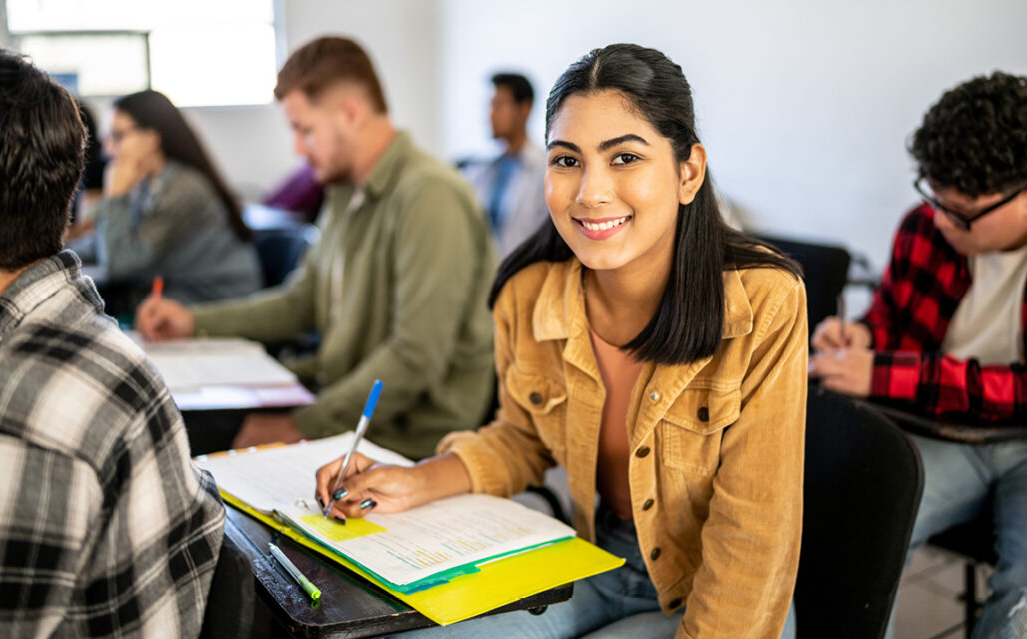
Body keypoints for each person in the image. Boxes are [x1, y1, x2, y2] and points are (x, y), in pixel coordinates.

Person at [315, 43, 808, 638]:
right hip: (595, 556)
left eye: (624, 157)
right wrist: (417, 479)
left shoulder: (765, 302)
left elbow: (755, 530)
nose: (589, 192)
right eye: (567, 160)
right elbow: (523, 437)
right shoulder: (527, 293)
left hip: (718, 582)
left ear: (688, 172)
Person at [0, 37, 225, 637]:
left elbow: (126, 261)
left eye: (123, 136)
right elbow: (98, 250)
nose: (113, 148)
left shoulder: (178, 187)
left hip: (201, 318)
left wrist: (117, 194)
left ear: (153, 137)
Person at [136, 36, 497, 460]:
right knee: (177, 419)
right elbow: (300, 303)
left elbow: (415, 358)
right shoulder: (346, 191)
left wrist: (299, 426)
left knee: (194, 445)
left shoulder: (429, 196)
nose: (296, 148)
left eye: (304, 130)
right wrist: (192, 321)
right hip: (340, 406)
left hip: (406, 441)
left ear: (350, 113)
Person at [810, 71, 1027, 638]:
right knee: (852, 542)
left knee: (1020, 609)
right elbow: (893, 320)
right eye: (935, 198)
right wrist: (863, 337)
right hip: (942, 433)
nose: (941, 220)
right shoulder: (925, 229)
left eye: (963, 211)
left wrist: (882, 375)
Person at [73, 89, 261, 312]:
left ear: (152, 137)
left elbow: (119, 266)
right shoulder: (148, 183)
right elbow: (104, 246)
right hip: (182, 297)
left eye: (117, 137)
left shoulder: (182, 187)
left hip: (218, 305)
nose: (107, 151)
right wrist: (58, 253)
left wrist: (115, 199)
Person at [460, 72, 548, 258]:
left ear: (525, 108)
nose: (490, 116)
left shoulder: (544, 169)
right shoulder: (482, 170)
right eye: (490, 107)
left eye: (498, 106)